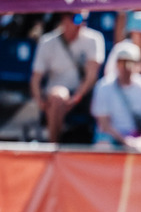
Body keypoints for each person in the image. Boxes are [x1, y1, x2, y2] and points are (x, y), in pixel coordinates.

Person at [30, 11, 105, 143]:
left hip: (84, 96)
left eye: (84, 19)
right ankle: (53, 148)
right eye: (76, 18)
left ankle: (55, 148)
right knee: (58, 96)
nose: (81, 23)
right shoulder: (48, 41)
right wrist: (39, 101)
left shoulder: (94, 39)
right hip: (55, 96)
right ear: (64, 19)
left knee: (60, 97)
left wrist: (76, 98)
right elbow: (36, 78)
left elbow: (91, 77)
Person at [91, 42, 141, 151]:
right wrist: (124, 140)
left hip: (139, 136)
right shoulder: (103, 87)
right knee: (103, 145)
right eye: (122, 62)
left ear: (138, 64)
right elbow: (104, 124)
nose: (126, 67)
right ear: (116, 64)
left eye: (130, 62)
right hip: (113, 136)